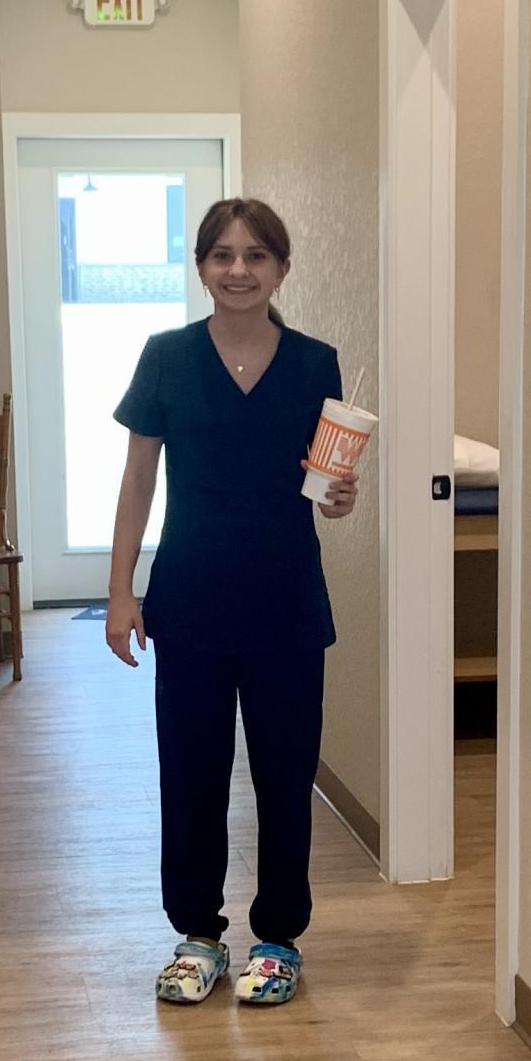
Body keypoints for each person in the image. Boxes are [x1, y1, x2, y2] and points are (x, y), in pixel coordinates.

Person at [106, 198, 358, 1006]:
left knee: (286, 779)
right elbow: (138, 478)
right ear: (201, 267)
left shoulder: (315, 364)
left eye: (256, 255)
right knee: (191, 777)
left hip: (287, 603)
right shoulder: (167, 358)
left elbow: (325, 488)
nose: (239, 270)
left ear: (282, 268)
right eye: (222, 254)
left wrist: (341, 499)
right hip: (190, 602)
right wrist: (121, 592)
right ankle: (198, 937)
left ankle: (278, 941)